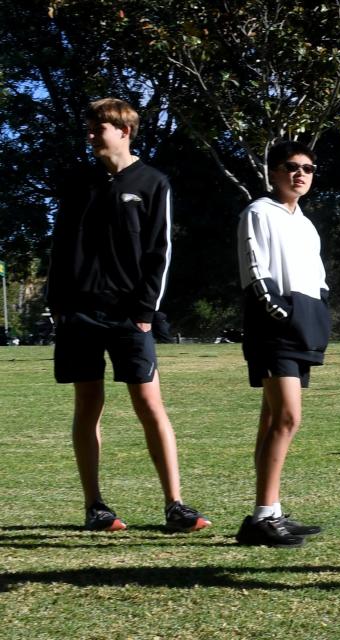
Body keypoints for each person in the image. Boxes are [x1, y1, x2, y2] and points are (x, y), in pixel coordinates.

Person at [46, 98, 210, 533]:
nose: (92, 134)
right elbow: (60, 245)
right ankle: (95, 507)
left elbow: (161, 250)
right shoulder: (78, 182)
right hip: (79, 313)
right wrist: (57, 304)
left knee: (150, 405)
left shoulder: (153, 182)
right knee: (88, 406)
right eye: (90, 127)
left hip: (129, 316)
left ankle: (175, 505)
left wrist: (144, 311)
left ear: (124, 130)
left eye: (99, 127)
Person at [236, 140, 331, 547]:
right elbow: (255, 270)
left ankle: (269, 512)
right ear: (273, 172)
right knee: (288, 418)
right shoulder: (258, 212)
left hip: (303, 327)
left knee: (272, 420)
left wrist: (318, 313)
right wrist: (281, 314)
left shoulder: (306, 224)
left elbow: (318, 276)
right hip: (273, 329)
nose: (300, 174)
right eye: (291, 167)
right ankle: (261, 517)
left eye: (308, 168)